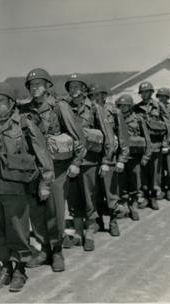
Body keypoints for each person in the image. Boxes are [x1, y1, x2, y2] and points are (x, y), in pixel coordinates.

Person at [0, 82, 54, 292]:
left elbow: (42, 154)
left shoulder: (24, 124)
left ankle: (19, 270)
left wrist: (45, 183)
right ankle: (5, 268)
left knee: (17, 231)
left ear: (11, 103)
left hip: (16, 188)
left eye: (1, 101)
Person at [19, 68, 86, 272]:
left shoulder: (59, 107)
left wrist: (76, 162)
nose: (35, 88)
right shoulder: (24, 111)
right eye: (31, 85)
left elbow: (78, 137)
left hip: (58, 168)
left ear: (48, 86)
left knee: (55, 210)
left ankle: (57, 251)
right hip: (34, 168)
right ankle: (44, 249)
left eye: (39, 84)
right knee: (37, 210)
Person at [64, 73, 114, 251]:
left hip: (89, 162)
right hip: (69, 162)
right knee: (74, 200)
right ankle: (78, 234)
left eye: (77, 86)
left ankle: (90, 234)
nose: (73, 90)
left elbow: (108, 135)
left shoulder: (95, 109)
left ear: (84, 89)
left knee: (89, 200)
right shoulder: (64, 108)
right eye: (71, 87)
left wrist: (106, 160)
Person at [88, 82, 130, 236]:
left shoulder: (114, 111)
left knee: (111, 192)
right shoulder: (88, 112)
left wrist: (121, 159)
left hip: (111, 158)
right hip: (94, 158)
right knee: (96, 193)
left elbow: (122, 136)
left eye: (97, 95)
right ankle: (98, 221)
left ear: (104, 96)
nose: (94, 98)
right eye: (91, 96)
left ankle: (113, 221)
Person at [133, 82, 170, 210]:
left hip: (156, 144)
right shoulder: (136, 108)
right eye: (142, 92)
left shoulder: (159, 106)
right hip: (143, 146)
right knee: (144, 172)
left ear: (151, 92)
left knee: (156, 172)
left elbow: (168, 126)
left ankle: (154, 197)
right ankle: (144, 196)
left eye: (146, 91)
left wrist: (166, 143)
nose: (144, 94)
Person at [115, 94, 152, 221]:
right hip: (120, 157)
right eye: (120, 105)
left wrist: (146, 156)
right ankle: (125, 206)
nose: (123, 107)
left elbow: (147, 138)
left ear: (131, 106)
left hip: (135, 157)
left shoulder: (138, 119)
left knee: (136, 182)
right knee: (122, 182)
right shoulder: (116, 119)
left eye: (125, 105)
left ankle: (134, 205)